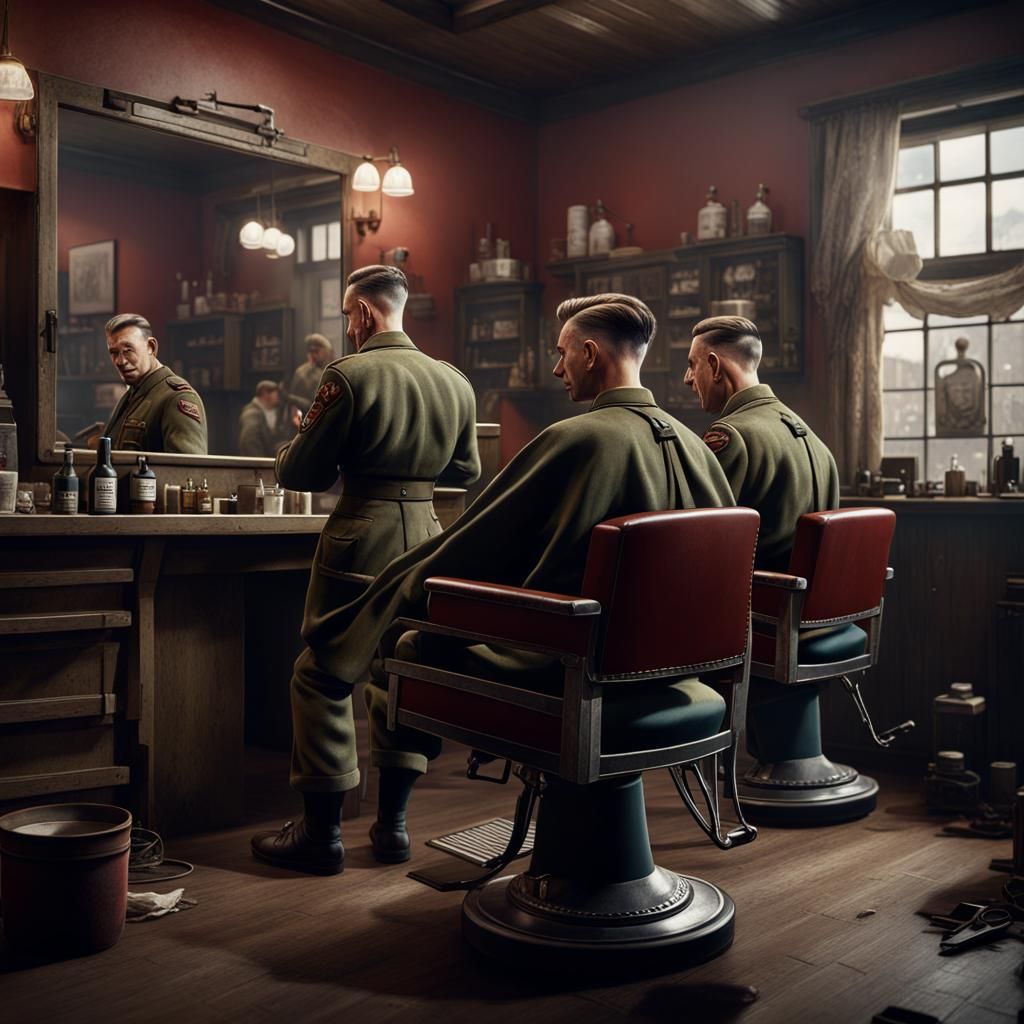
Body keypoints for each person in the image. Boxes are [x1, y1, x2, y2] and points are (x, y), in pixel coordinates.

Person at [252, 292, 734, 875]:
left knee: (383, 649)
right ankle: (397, 823)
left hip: (569, 673)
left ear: (589, 353)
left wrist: (388, 600)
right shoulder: (697, 449)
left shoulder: (575, 441)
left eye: (561, 355)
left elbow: (469, 550)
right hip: (676, 677)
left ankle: (323, 832)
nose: (557, 369)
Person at [251, 265, 480, 876]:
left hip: (360, 539)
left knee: (320, 675)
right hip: (427, 539)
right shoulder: (453, 382)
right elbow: (465, 473)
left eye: (347, 317)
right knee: (395, 676)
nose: (347, 329)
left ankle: (321, 835)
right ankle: (394, 827)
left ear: (362, 314)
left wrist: (291, 448)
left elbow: (302, 473)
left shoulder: (347, 376)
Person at [684, 315, 839, 571]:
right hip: (810, 602)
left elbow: (697, 538)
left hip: (753, 600)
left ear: (714, 366)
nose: (687, 378)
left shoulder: (730, 435)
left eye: (692, 365)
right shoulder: (813, 438)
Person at [101, 313, 208, 454]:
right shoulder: (132, 394)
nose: (120, 361)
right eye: (114, 352)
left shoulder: (177, 398)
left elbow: (187, 472)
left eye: (128, 350)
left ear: (151, 347)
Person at [238, 380, 290, 457]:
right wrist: (261, 464)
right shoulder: (252, 413)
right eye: (276, 392)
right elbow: (249, 441)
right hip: (258, 465)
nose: (279, 396)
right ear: (265, 393)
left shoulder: (272, 411)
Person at [287, 333, 334, 410]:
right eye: (310, 351)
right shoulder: (301, 372)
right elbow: (294, 402)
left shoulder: (332, 368)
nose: (313, 355)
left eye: (316, 351)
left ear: (327, 351)